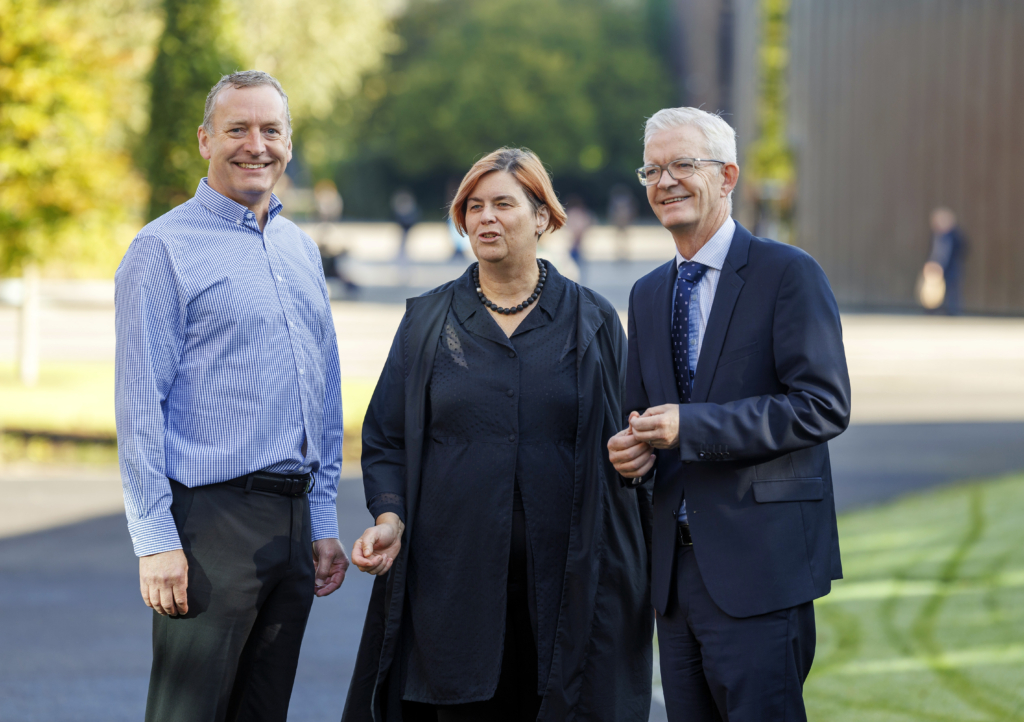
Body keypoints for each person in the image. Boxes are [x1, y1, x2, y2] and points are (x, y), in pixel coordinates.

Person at [343, 147, 654, 722]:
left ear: (542, 217)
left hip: (566, 585)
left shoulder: (593, 320)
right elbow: (386, 436)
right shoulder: (427, 322)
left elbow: (629, 442)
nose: (485, 218)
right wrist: (388, 516)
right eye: (473, 207)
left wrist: (640, 455)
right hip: (450, 583)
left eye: (503, 204)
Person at [115, 70, 348, 722]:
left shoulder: (300, 250)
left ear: (290, 142)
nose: (256, 145)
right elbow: (138, 410)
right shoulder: (162, 250)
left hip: (293, 525)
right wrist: (155, 539)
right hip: (208, 527)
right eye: (237, 129)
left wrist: (323, 523)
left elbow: (323, 400)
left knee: (263, 711)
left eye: (270, 130)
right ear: (205, 140)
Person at [608, 107, 851, 722]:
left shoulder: (788, 274)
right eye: (652, 169)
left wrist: (694, 427)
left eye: (683, 164)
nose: (665, 181)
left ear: (728, 175)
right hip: (674, 578)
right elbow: (642, 416)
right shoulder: (647, 293)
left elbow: (823, 405)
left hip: (761, 570)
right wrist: (630, 454)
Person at [925, 207, 967, 315]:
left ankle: (953, 311)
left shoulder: (955, 235)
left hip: (951, 267)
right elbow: (934, 252)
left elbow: (962, 249)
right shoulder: (936, 236)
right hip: (936, 267)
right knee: (934, 291)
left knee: (952, 289)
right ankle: (933, 310)